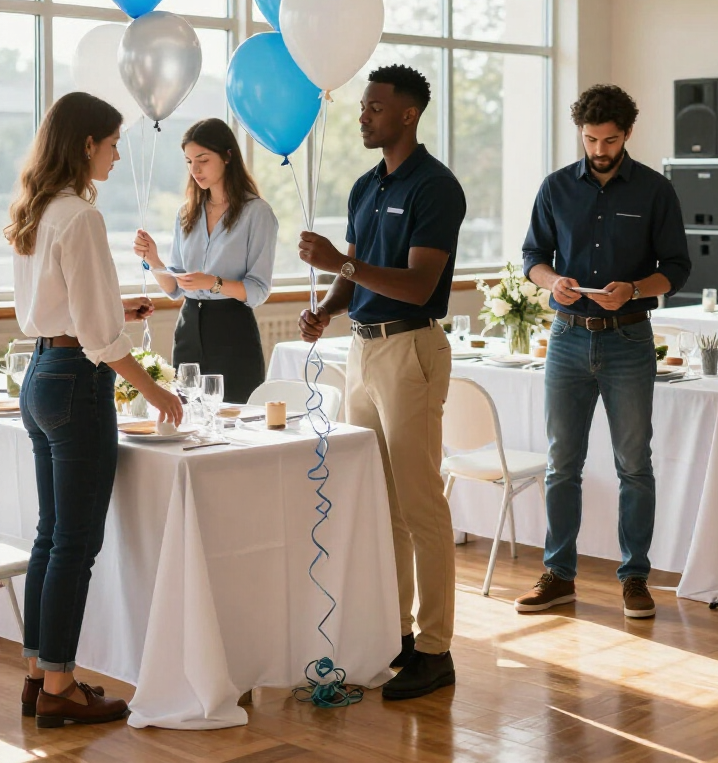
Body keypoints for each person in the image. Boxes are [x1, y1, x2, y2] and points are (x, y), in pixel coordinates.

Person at [6, 92, 183, 728]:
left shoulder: (35, 209)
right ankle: (60, 686)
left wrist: (116, 310)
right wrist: (156, 390)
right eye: (111, 144)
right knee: (74, 543)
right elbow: (101, 341)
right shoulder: (80, 217)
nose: (116, 156)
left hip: (39, 375)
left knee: (52, 535)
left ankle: (40, 676)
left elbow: (63, 308)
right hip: (76, 383)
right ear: (86, 144)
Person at [295, 64, 466, 701]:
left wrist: (339, 264)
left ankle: (436, 650)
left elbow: (418, 285)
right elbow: (358, 272)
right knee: (384, 505)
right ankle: (397, 636)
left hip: (410, 349)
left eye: (374, 107)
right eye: (363, 106)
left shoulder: (436, 187)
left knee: (421, 505)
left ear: (407, 115)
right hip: (361, 350)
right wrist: (326, 308)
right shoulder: (366, 186)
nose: (363, 115)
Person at [516, 85, 690, 618]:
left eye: (609, 140)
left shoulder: (656, 190)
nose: (598, 150)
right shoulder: (554, 188)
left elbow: (677, 268)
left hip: (629, 340)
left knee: (634, 465)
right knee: (561, 464)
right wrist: (552, 282)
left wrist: (634, 289)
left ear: (628, 134)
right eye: (590, 139)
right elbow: (532, 256)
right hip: (566, 337)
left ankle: (635, 577)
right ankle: (558, 575)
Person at [133, 118, 278, 404]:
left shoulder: (257, 213)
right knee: (189, 416)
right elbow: (175, 289)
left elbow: (258, 290)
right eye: (189, 162)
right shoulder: (186, 213)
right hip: (188, 328)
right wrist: (153, 259)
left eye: (203, 160)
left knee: (235, 418)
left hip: (233, 330)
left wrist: (213, 283)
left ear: (227, 156)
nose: (195, 170)